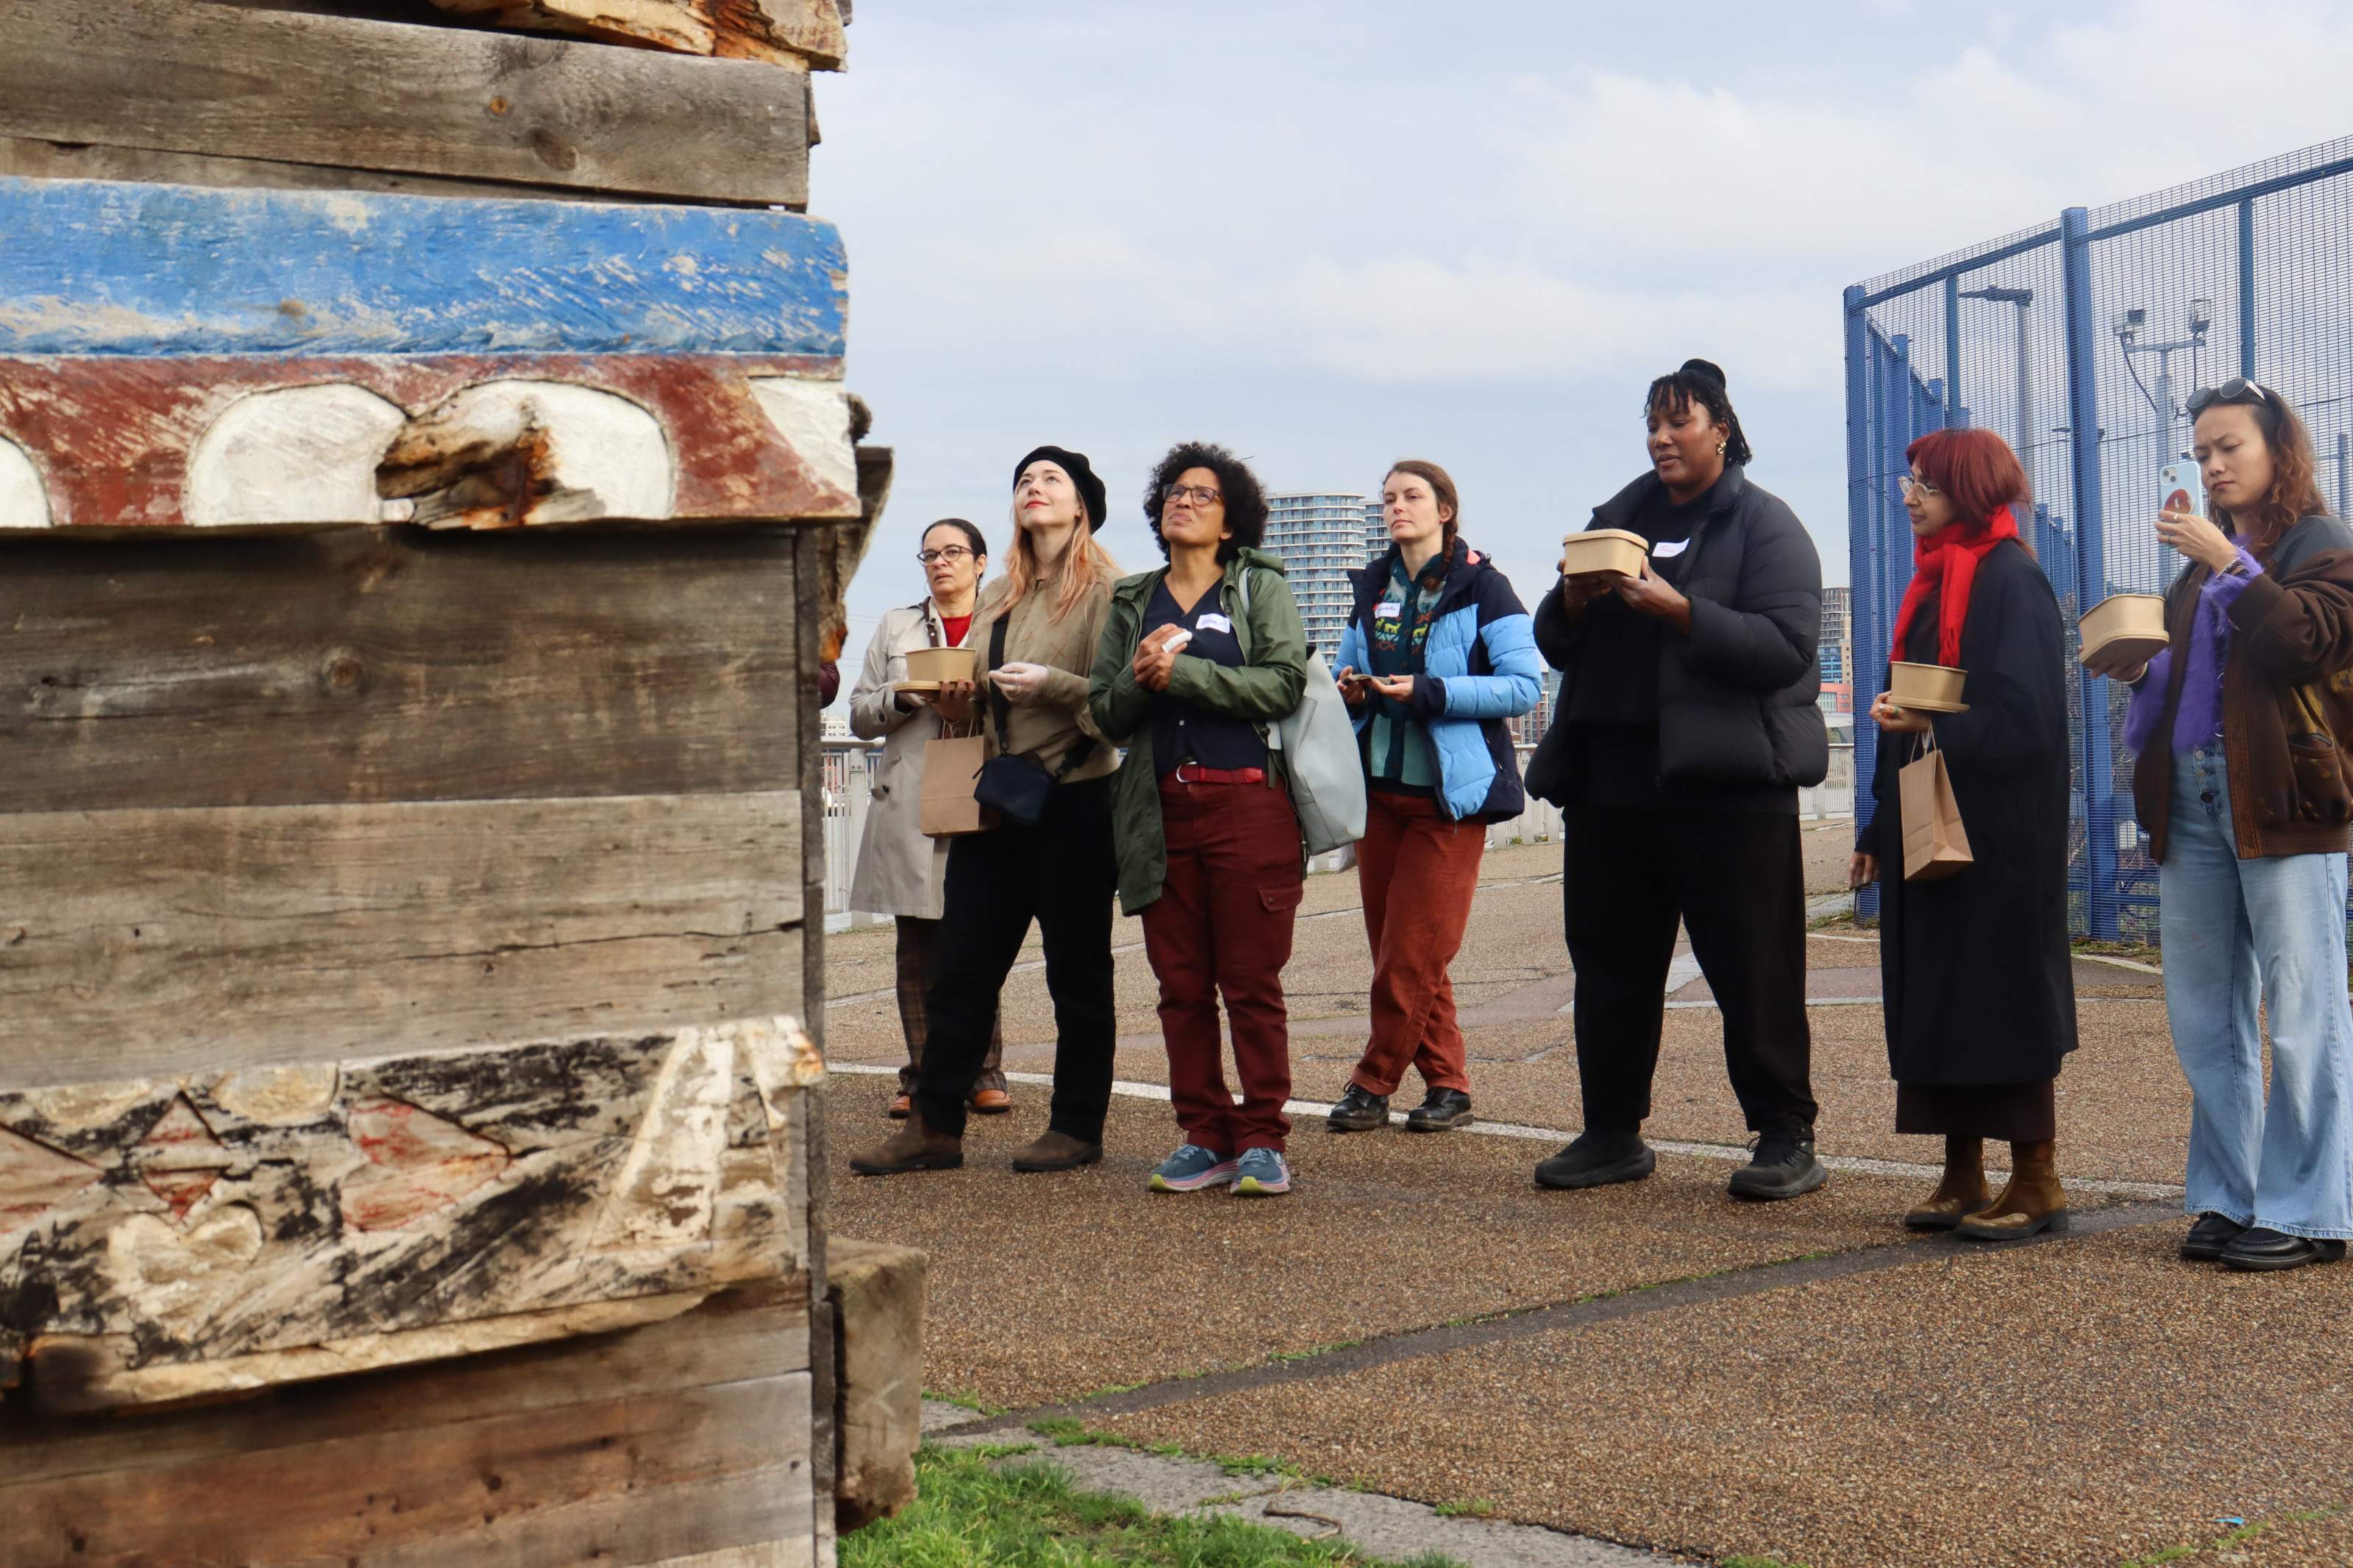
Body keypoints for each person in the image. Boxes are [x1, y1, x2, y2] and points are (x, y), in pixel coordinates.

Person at [1524, 358, 1829, 1200]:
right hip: (1609, 783)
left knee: (1752, 969)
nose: (1661, 439)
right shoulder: (1614, 522)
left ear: (1719, 431)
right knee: (1610, 967)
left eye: (1678, 422)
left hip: (1724, 788)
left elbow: (1786, 648)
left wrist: (1683, 611)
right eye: (1651, 425)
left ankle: (1784, 1133)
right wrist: (1572, 602)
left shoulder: (1764, 524)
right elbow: (1554, 640)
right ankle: (1611, 1132)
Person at [2098, 379, 2353, 1272]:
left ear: (2278, 449)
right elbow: (2186, 686)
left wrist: (2230, 565)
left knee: (2301, 1009)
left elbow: (2306, 643)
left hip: (2285, 800)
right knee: (2204, 1014)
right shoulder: (2196, 568)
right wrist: (2138, 671)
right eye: (2200, 452)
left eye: (2228, 447)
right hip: (2194, 796)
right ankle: (2227, 1194)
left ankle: (2310, 1210)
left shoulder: (2319, 542)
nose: (2210, 466)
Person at [849, 447, 1124, 1178]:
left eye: (1051, 478)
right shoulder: (1000, 593)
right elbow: (976, 695)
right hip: (998, 796)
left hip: (1074, 798)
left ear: (1081, 504)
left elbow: (1119, 707)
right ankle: (934, 1126)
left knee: (1077, 972)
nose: (1034, 486)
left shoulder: (1109, 592)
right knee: (962, 968)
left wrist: (1053, 685)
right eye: (1024, 479)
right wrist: (957, 699)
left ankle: (1076, 1125)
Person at [1848, 429, 2076, 1237]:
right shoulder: (1931, 579)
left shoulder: (2011, 578)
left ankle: (2036, 1177)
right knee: (1938, 991)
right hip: (1928, 816)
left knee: (2000, 994)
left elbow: (2032, 723)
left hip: (2001, 835)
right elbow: (1903, 706)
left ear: (1972, 493)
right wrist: (1878, 821)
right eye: (1909, 481)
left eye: (1928, 485)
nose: (1909, 497)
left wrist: (1930, 724)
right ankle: (1960, 1171)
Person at [1090, 443, 1310, 1197]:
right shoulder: (1133, 600)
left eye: (1202, 494)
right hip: (1158, 810)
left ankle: (1263, 1138)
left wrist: (1183, 673)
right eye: (1174, 493)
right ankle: (1203, 1134)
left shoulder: (1257, 586)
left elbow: (1282, 683)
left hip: (1247, 803)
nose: (1182, 502)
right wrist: (1140, 676)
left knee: (1250, 982)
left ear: (1230, 520)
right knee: (1180, 984)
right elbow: (1106, 713)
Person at [1326, 460, 1543, 1136]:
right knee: (1404, 953)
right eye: (1388, 497)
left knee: (1410, 955)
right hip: (1378, 795)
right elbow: (1340, 669)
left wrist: (1432, 692)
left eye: (1412, 495)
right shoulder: (1373, 585)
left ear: (1445, 509)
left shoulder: (1485, 586)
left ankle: (1372, 1083)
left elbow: (1524, 685)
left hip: (1449, 800)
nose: (1396, 506)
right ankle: (1449, 1083)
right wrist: (1349, 688)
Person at [846, 518, 1012, 1119]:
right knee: (917, 946)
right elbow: (858, 714)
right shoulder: (896, 625)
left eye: (953, 552)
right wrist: (904, 694)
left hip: (982, 785)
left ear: (981, 562)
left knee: (977, 939)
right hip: (912, 795)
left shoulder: (1007, 619)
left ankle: (983, 1070)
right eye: (930, 554)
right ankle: (921, 1076)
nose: (940, 562)